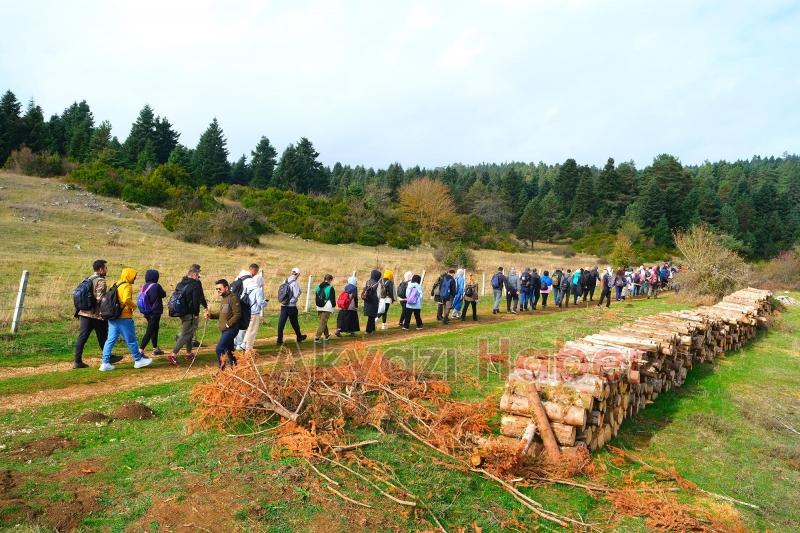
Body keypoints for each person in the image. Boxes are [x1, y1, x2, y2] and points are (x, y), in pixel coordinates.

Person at [100, 268, 152, 372]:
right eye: (134, 276)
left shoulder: (116, 284)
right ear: (129, 275)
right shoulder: (127, 286)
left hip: (113, 317)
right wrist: (134, 306)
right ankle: (138, 360)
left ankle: (105, 363)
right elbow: (126, 299)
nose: (135, 278)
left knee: (110, 340)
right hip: (124, 317)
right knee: (131, 340)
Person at [74, 259, 117, 369]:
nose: (107, 270)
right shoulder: (101, 281)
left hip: (83, 312)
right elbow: (99, 298)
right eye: (106, 268)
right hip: (95, 314)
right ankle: (108, 357)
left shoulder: (88, 278)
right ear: (101, 269)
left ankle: (77, 361)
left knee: (82, 337)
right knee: (103, 336)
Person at [168, 264, 208, 365]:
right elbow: (196, 299)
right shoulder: (195, 284)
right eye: (198, 274)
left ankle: (189, 353)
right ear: (194, 274)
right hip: (190, 313)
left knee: (189, 332)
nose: (199, 276)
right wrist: (197, 313)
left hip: (181, 312)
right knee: (186, 334)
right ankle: (173, 354)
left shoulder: (181, 283)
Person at [205, 279, 241, 370]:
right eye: (216, 289)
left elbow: (238, 314)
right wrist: (211, 315)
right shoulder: (224, 299)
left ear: (226, 287)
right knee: (229, 351)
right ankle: (236, 370)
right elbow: (223, 314)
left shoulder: (233, 298)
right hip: (225, 329)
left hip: (231, 329)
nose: (218, 291)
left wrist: (228, 325)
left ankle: (221, 371)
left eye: (220, 289)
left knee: (219, 348)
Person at [234, 264, 267, 351]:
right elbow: (260, 302)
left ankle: (239, 344)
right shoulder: (258, 289)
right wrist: (265, 303)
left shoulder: (246, 287)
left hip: (245, 310)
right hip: (254, 312)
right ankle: (247, 347)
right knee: (252, 331)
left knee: (243, 328)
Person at [138, 269, 167, 359]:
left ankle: (155, 348)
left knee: (155, 328)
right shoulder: (156, 286)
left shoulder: (144, 286)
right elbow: (163, 294)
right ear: (156, 277)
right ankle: (140, 350)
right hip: (155, 312)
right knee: (150, 330)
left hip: (147, 311)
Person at [277, 267, 306, 345]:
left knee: (281, 323)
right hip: (291, 306)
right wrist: (299, 293)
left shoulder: (285, 280)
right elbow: (296, 295)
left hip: (283, 305)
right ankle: (299, 337)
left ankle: (279, 340)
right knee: (294, 323)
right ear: (298, 274)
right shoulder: (295, 283)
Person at [314, 274, 336, 343]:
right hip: (327, 306)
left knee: (323, 322)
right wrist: (334, 305)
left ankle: (326, 335)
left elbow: (316, 297)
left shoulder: (318, 287)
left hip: (319, 306)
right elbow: (332, 299)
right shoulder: (330, 288)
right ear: (330, 280)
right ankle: (317, 338)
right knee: (323, 323)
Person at [362, 269, 382, 334]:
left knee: (371, 316)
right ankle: (368, 330)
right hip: (374, 301)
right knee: (372, 316)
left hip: (367, 300)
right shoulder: (378, 283)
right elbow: (379, 294)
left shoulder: (367, 281)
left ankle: (373, 329)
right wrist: (379, 301)